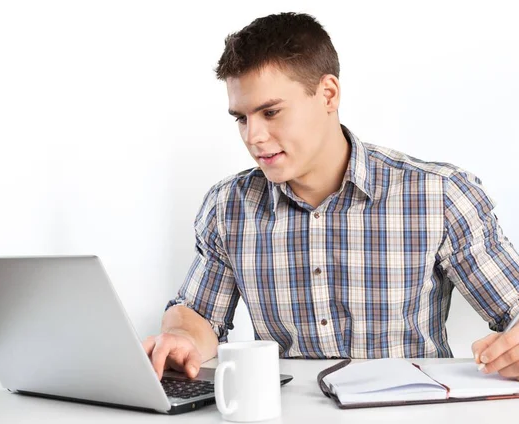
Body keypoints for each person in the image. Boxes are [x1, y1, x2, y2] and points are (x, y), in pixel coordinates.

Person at [142, 12, 519, 381]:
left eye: (270, 112)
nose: (253, 136)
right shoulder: (229, 206)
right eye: (241, 118)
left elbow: (513, 306)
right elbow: (199, 314)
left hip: (409, 410)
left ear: (328, 94)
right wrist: (182, 338)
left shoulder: (439, 194)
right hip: (286, 412)